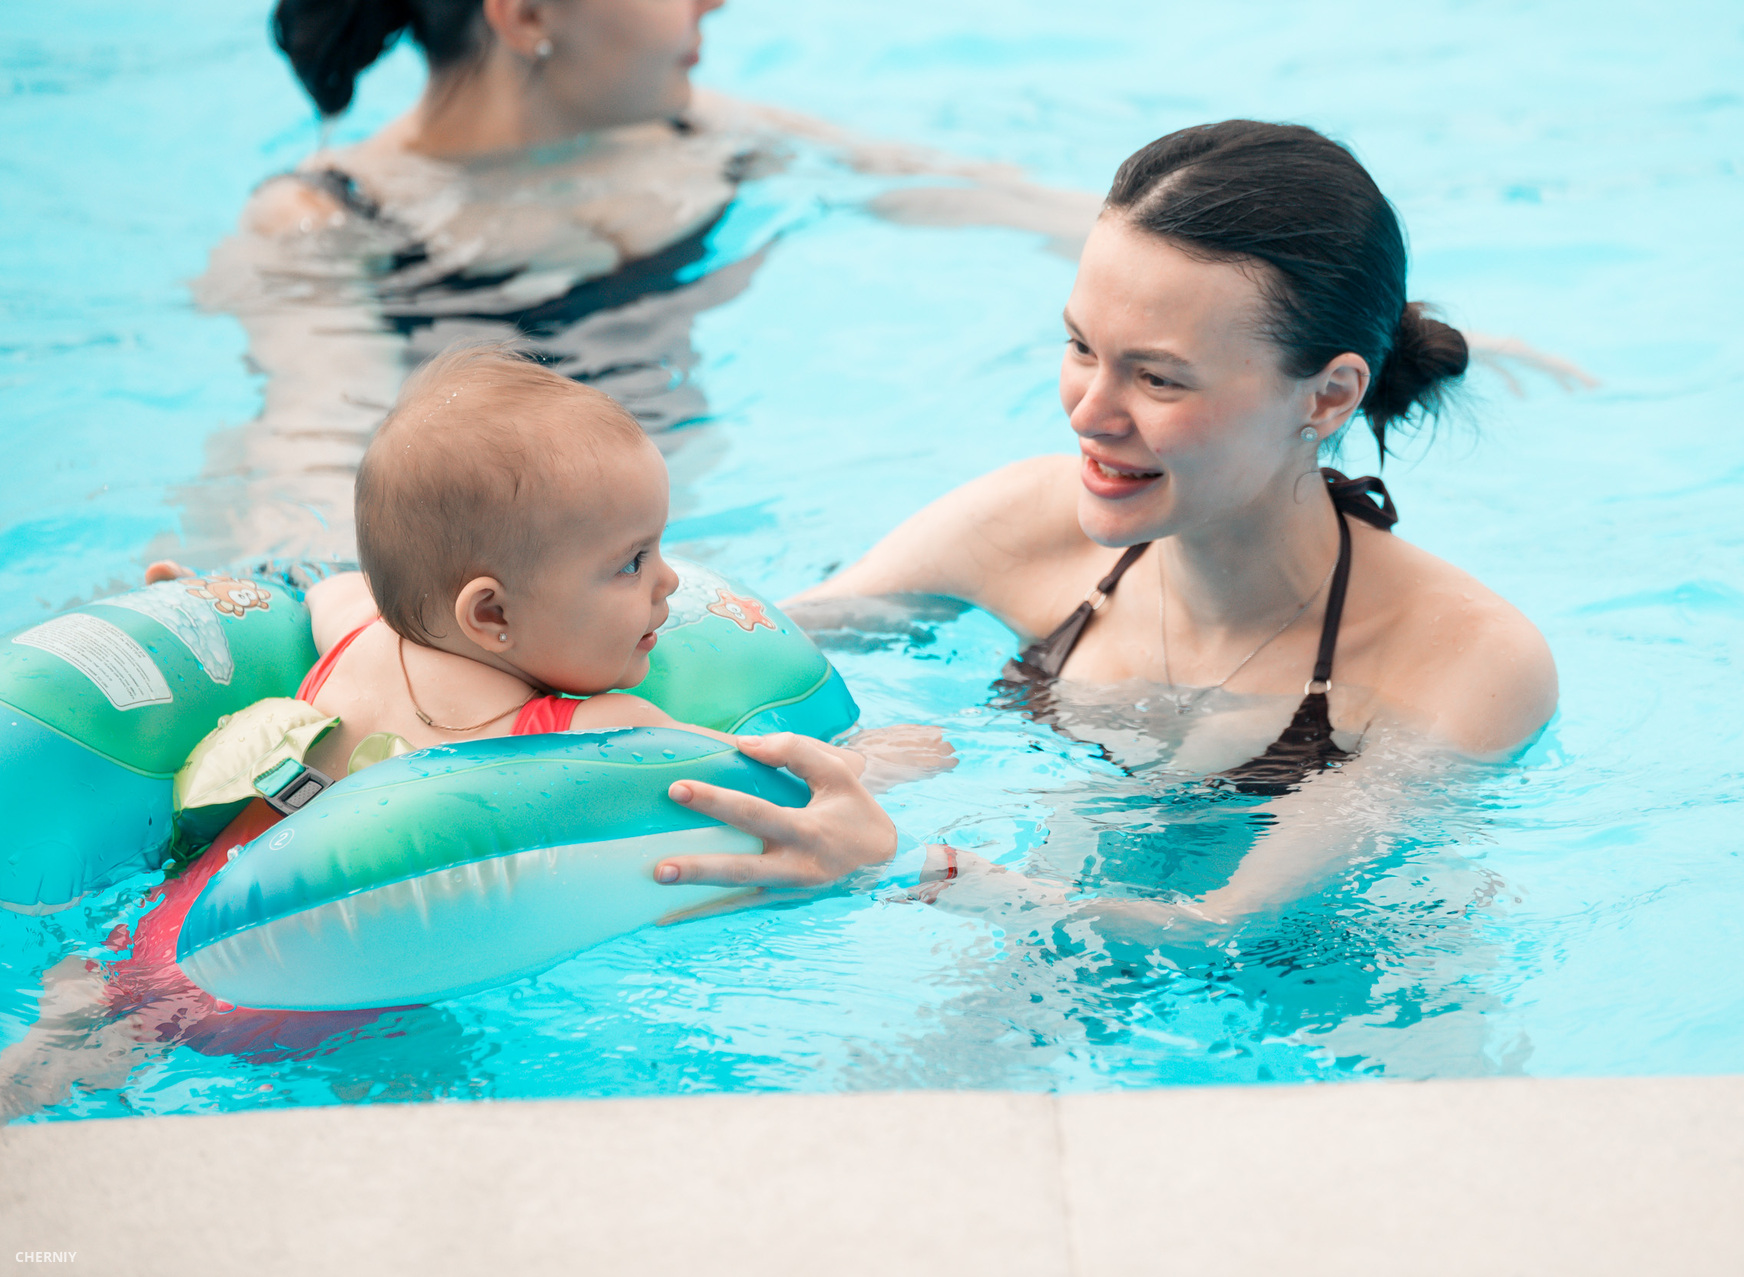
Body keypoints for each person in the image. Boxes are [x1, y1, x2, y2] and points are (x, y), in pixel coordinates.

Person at [0, 344, 945, 1120]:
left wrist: (192, 594)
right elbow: (747, 787)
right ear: (490, 614)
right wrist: (878, 762)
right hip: (324, 990)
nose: (669, 584)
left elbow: (310, 589)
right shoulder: (592, 725)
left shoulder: (353, 631)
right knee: (447, 1093)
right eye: (632, 562)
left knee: (94, 1050)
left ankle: (63, 1038)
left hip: (157, 940)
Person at [785, 121, 1562, 918]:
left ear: (1328, 396)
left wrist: (894, 866)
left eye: (1157, 379)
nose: (1088, 414)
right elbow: (745, 643)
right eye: (1081, 346)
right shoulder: (1018, 524)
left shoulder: (1466, 661)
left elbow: (1219, 928)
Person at [184, 0, 1102, 567]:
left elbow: (989, 199)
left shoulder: (705, 134)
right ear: (526, 17)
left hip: (650, 561)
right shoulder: (334, 219)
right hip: (468, 574)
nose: (717, 3)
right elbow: (315, 457)